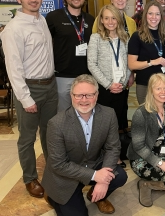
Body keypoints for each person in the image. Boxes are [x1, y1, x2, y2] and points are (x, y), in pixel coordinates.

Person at [0, 0, 58, 198]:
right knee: (27, 137)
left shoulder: (41, 20)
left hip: (50, 85)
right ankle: (30, 178)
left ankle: (52, 169)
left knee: (49, 132)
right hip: (30, 88)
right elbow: (13, 69)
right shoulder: (13, 29)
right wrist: (25, 98)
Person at [42, 74, 128, 215]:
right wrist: (95, 175)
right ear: (71, 96)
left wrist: (103, 182)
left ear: (97, 95)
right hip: (66, 175)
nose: (84, 100)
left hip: (93, 162)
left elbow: (113, 147)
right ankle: (53, 196)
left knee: (120, 176)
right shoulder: (56, 123)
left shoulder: (108, 114)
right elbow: (59, 164)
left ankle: (96, 195)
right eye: (79, 95)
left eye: (89, 95)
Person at [127, 73, 165, 207]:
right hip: (142, 157)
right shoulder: (141, 113)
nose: (163, 92)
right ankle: (145, 185)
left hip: (164, 152)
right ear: (151, 91)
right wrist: (160, 164)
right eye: (158, 88)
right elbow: (139, 146)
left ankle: (152, 182)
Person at [87, 4, 131, 167]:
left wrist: (123, 82)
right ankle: (106, 157)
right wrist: (108, 84)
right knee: (105, 124)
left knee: (118, 123)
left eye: (113, 18)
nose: (110, 21)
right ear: (101, 20)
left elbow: (128, 63)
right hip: (104, 89)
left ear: (118, 20)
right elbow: (92, 64)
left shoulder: (125, 37)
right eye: (106, 18)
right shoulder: (96, 38)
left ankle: (117, 154)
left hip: (121, 87)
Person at [46, 0, 95, 112]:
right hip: (62, 76)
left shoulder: (91, 20)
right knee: (64, 115)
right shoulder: (53, 17)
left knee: (85, 113)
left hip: (87, 76)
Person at [128, 1, 165, 104]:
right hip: (145, 84)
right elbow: (131, 65)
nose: (153, 17)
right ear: (145, 15)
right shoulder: (137, 36)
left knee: (162, 116)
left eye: (157, 14)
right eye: (150, 13)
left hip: (163, 86)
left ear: (161, 16)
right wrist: (152, 62)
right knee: (146, 118)